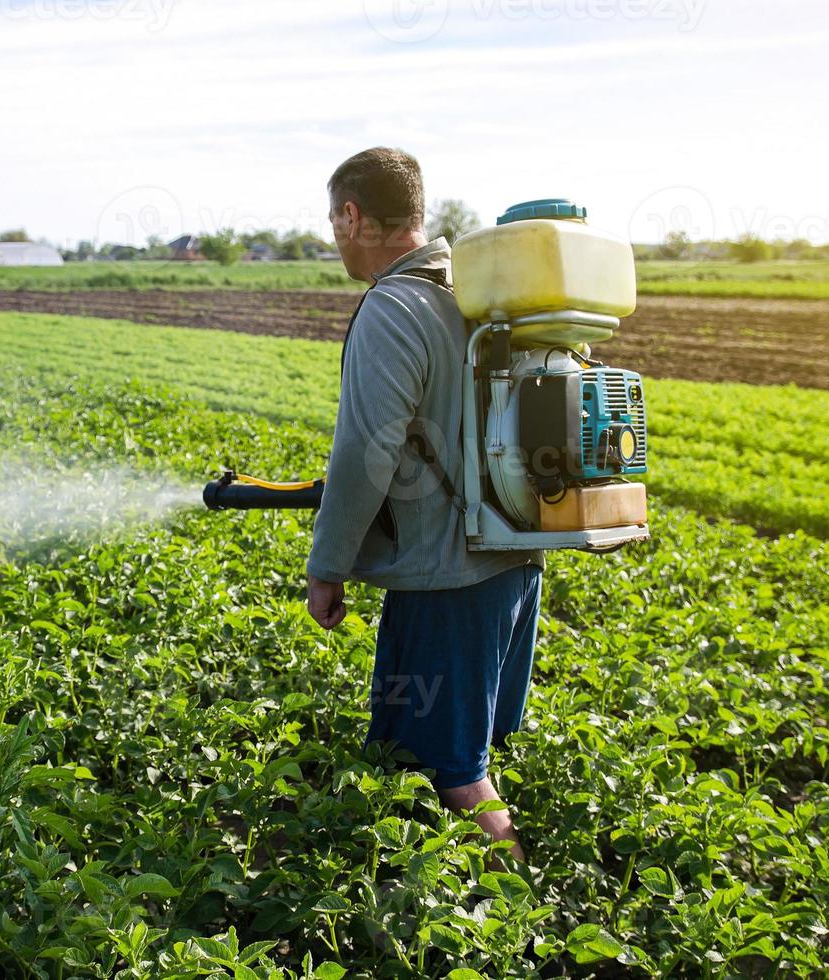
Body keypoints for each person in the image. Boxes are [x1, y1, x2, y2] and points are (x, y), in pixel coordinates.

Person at [305, 147, 544, 863]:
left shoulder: (395, 305)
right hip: (513, 560)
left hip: (448, 581)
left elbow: (365, 454)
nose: (333, 235)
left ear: (353, 215)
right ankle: (439, 906)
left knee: (458, 774)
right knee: (446, 750)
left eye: (333, 219)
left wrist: (328, 565)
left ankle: (522, 925)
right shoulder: (479, 293)